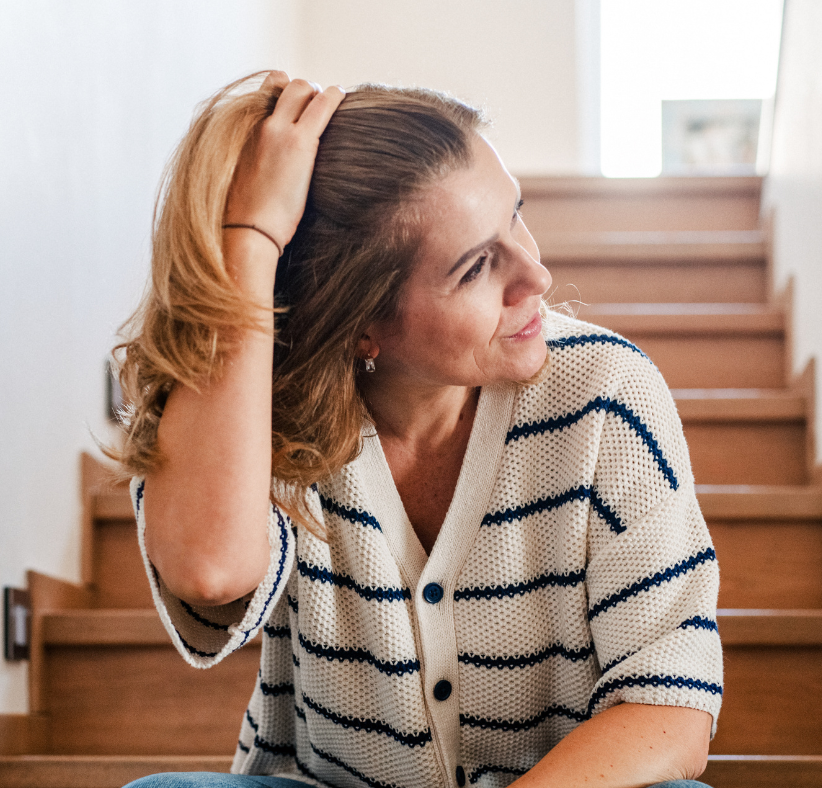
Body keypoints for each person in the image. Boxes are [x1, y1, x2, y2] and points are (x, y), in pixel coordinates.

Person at [114, 71, 722, 788]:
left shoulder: (606, 393)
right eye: (475, 269)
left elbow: (668, 711)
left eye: (516, 216)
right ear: (363, 325)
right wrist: (248, 244)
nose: (537, 275)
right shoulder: (263, 411)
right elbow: (208, 570)